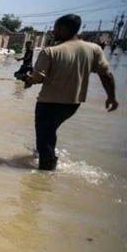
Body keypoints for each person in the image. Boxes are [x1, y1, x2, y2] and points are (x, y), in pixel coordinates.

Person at [27, 14, 118, 171]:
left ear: (63, 29)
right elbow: (106, 74)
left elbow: (37, 78)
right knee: (48, 134)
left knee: (45, 138)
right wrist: (111, 97)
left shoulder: (50, 51)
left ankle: (45, 176)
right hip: (72, 105)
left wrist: (28, 79)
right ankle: (44, 155)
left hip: (48, 103)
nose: (53, 32)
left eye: (55, 28)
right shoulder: (94, 49)